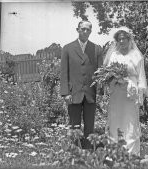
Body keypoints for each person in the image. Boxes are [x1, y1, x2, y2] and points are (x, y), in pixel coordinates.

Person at [103, 27, 148, 155]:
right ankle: (115, 151)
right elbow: (107, 74)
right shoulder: (113, 55)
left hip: (131, 93)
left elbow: (141, 76)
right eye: (119, 39)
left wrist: (140, 94)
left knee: (130, 122)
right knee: (115, 120)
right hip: (116, 92)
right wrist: (115, 78)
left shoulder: (136, 55)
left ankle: (131, 153)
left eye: (124, 38)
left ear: (129, 39)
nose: (121, 41)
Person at [60, 20, 103, 149]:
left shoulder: (97, 49)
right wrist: (65, 93)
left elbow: (100, 74)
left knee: (90, 125)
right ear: (77, 29)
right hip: (73, 94)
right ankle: (75, 151)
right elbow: (64, 73)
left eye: (88, 29)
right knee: (74, 125)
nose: (85, 31)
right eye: (83, 29)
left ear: (91, 31)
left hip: (91, 93)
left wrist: (100, 92)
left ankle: (89, 151)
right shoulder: (67, 48)